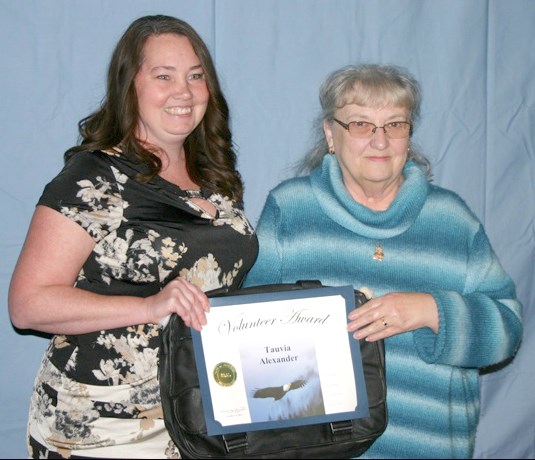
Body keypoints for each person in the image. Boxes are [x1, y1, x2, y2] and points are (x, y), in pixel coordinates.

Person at [8, 14, 258, 459]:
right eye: (164, 76)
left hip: (197, 414)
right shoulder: (95, 177)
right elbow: (27, 304)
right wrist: (148, 306)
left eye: (196, 76)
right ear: (131, 86)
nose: (184, 92)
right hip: (102, 425)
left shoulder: (215, 178)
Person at [243, 63, 523, 459]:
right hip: (315, 451)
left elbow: (507, 328)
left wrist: (432, 311)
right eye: (360, 124)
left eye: (395, 125)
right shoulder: (291, 211)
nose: (380, 141)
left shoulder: (452, 221)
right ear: (330, 135)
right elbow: (249, 334)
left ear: (408, 136)